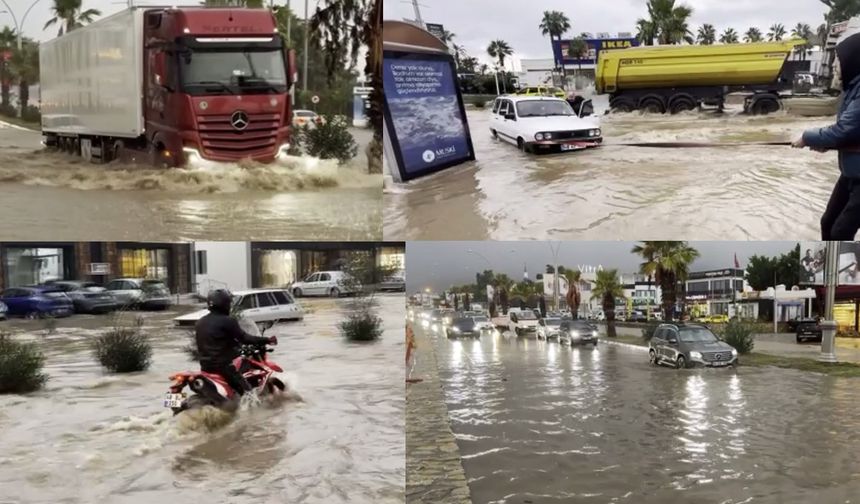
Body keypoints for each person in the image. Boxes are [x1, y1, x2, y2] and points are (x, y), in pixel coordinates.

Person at [793, 29, 860, 239]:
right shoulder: (851, 90)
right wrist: (828, 143)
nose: (833, 67)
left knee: (841, 232)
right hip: (851, 174)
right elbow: (853, 132)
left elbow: (843, 131)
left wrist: (806, 136)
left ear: (851, 61)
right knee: (828, 222)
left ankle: (844, 270)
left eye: (837, 62)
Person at [195, 289, 277, 396]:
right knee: (249, 394)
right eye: (228, 303)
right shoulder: (228, 321)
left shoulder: (200, 322)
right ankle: (253, 411)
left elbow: (215, 340)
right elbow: (245, 338)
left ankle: (172, 405)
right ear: (225, 304)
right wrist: (267, 340)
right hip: (223, 367)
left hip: (205, 367)